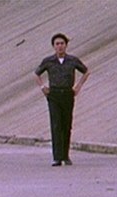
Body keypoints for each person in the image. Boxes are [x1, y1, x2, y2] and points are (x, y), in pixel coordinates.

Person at [34, 33, 90, 166]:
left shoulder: (72, 60)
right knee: (56, 124)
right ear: (54, 46)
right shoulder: (48, 61)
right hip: (54, 94)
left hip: (67, 93)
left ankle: (65, 155)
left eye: (62, 44)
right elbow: (36, 74)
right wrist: (42, 87)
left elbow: (86, 71)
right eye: (57, 44)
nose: (60, 46)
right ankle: (57, 157)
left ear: (66, 45)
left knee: (66, 124)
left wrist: (79, 86)